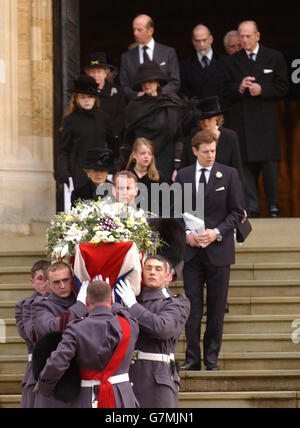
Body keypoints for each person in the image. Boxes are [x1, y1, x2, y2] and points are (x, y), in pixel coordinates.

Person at [175, 129, 245, 371]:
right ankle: (193, 358)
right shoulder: (183, 175)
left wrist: (216, 232)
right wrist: (186, 235)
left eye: (213, 151)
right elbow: (175, 212)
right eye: (205, 152)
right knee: (192, 308)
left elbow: (237, 212)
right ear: (195, 151)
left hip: (219, 250)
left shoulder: (229, 174)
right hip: (192, 253)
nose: (210, 156)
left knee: (216, 309)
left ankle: (212, 358)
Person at [221, 20, 289, 218]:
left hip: (266, 123)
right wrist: (239, 87)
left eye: (248, 36)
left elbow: (284, 86)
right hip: (241, 122)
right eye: (241, 36)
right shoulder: (231, 61)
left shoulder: (274, 57)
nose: (244, 40)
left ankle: (274, 205)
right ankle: (252, 207)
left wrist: (263, 89)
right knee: (246, 167)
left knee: (269, 167)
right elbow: (223, 90)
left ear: (258, 36)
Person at [35, 280, 139, 408]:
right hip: (123, 397)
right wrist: (117, 305)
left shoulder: (76, 328)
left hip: (88, 397)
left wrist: (44, 386)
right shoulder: (130, 324)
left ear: (86, 301)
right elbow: (123, 313)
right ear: (111, 299)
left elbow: (58, 361)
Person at [116, 255, 190, 408]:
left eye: (158, 269)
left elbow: (162, 328)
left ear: (168, 276)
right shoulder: (129, 298)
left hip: (157, 379)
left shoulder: (176, 303)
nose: (152, 272)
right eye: (148, 268)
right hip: (127, 375)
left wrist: (132, 305)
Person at [32, 262, 89, 408]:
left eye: (66, 280)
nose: (62, 286)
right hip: (55, 381)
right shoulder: (41, 305)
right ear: (49, 284)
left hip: (84, 376)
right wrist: (80, 307)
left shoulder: (84, 301)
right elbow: (52, 329)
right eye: (56, 282)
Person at [120, 60, 184, 183]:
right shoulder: (134, 106)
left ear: (157, 82)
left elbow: (178, 137)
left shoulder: (170, 105)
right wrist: (123, 166)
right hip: (140, 161)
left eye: (150, 81)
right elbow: (128, 138)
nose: (146, 85)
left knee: (164, 199)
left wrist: (177, 165)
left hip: (166, 159)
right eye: (143, 82)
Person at [58, 75, 115, 190]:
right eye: (83, 97)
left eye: (90, 97)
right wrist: (65, 172)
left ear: (95, 98)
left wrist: (113, 168)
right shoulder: (70, 120)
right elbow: (64, 150)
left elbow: (113, 145)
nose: (87, 100)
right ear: (76, 99)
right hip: (78, 172)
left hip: (101, 173)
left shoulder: (103, 118)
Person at [181, 96, 245, 182]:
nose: (205, 123)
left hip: (224, 187)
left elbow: (237, 168)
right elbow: (184, 171)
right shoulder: (190, 139)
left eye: (209, 118)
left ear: (217, 117)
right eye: (202, 119)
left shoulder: (230, 137)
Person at [15, 260, 51, 408]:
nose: (45, 284)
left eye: (48, 279)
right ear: (32, 282)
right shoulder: (24, 305)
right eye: (40, 279)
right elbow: (30, 335)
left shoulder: (67, 301)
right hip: (36, 368)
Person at [120, 14, 180, 101]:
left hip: (164, 104)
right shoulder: (126, 57)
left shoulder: (168, 52)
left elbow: (175, 82)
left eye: (139, 30)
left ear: (150, 31)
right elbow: (124, 86)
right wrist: (137, 95)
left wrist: (157, 94)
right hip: (138, 107)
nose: (135, 33)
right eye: (134, 29)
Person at [85, 51, 126, 141]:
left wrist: (113, 133)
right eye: (92, 72)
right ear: (88, 74)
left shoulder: (117, 91)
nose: (96, 75)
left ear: (105, 73)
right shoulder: (84, 92)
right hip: (89, 137)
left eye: (99, 71)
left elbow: (122, 114)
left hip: (112, 138)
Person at [180, 24, 225, 100]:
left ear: (211, 39)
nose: (201, 44)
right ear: (193, 41)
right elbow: (183, 93)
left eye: (204, 40)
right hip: (197, 110)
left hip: (222, 110)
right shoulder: (185, 66)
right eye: (198, 41)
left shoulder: (225, 61)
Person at [126, 137, 164, 213]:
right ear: (134, 155)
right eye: (142, 153)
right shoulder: (127, 175)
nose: (146, 156)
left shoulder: (157, 177)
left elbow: (163, 203)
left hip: (154, 218)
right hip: (130, 218)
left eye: (149, 154)